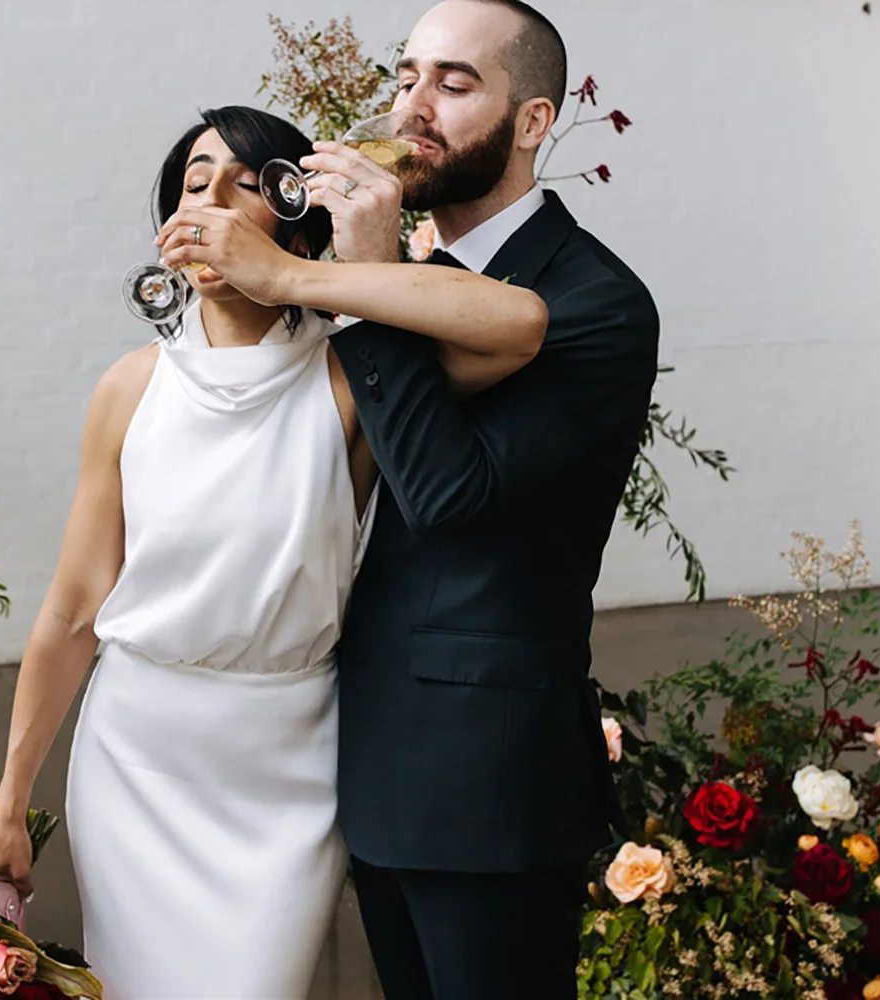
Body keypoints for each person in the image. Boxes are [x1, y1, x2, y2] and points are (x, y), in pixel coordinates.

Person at [0, 104, 548, 1000]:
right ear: (167, 231)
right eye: (196, 184)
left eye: (248, 186)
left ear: (293, 219)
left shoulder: (358, 381)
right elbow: (74, 611)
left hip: (288, 759)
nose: (215, 203)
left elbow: (516, 326)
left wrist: (296, 280)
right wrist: (8, 803)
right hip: (137, 757)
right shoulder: (129, 389)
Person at [303, 1, 661, 997]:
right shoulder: (409, 278)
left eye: (454, 84)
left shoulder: (594, 302)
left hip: (489, 786)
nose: (414, 105)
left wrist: (367, 276)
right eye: (407, 75)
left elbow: (448, 497)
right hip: (368, 758)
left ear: (533, 122)